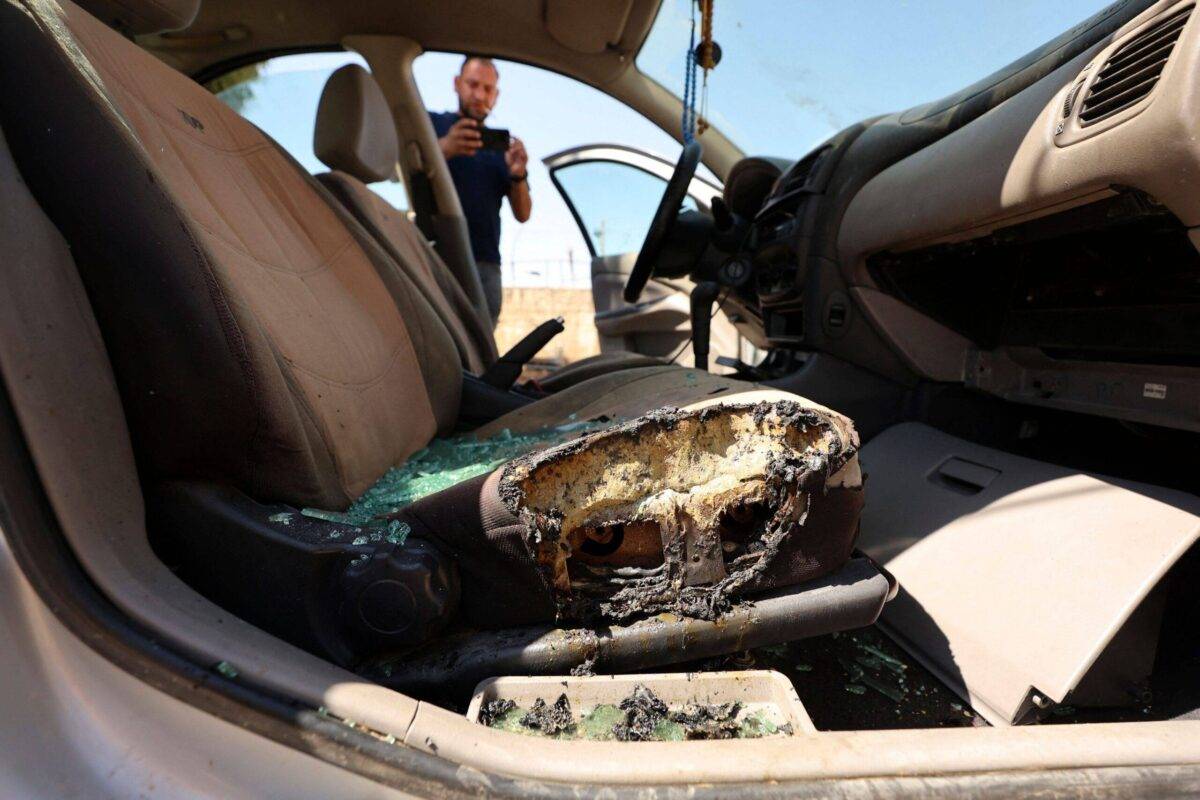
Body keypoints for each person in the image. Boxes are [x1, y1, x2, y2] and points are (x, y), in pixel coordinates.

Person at [429, 56, 531, 327]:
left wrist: (518, 173)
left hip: (485, 267)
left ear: (496, 96)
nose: (479, 95)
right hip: (435, 258)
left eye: (487, 89)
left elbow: (523, 213)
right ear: (456, 84)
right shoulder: (431, 125)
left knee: (481, 357)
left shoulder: (501, 149)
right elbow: (400, 169)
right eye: (473, 84)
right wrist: (445, 148)